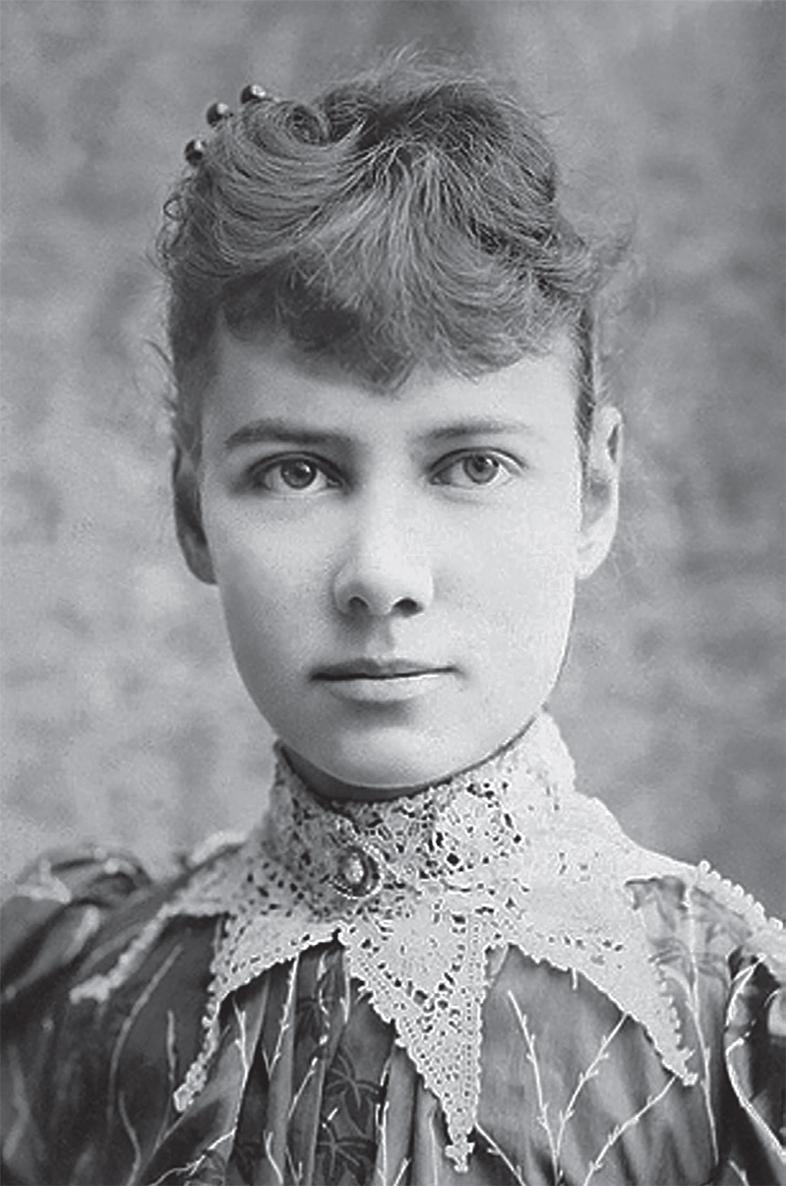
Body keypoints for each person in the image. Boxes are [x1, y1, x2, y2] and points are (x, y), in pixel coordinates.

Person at [1, 55, 783, 1186]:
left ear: (593, 492)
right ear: (191, 507)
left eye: (470, 463)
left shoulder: (715, 1031)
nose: (381, 575)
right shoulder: (93, 998)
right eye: (297, 471)